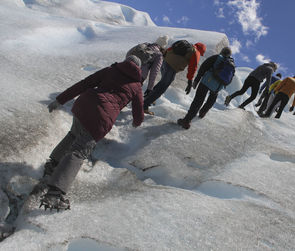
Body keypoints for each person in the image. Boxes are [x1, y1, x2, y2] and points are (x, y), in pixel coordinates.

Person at [40, 55, 144, 211]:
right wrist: (137, 121)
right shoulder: (136, 86)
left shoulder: (111, 69)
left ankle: (53, 164)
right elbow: (138, 110)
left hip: (84, 104)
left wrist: (60, 100)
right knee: (79, 151)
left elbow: (84, 84)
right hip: (101, 117)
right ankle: (54, 193)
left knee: (73, 134)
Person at [143, 40, 206, 115]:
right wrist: (190, 81)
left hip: (165, 62)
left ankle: (149, 98)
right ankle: (145, 105)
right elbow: (193, 67)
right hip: (172, 67)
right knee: (162, 87)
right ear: (201, 50)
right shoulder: (196, 52)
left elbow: (170, 49)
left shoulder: (186, 45)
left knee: (162, 83)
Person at [177, 47, 235, 129]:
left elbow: (203, 67)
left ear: (222, 52)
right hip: (217, 87)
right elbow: (229, 80)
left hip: (206, 81)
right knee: (212, 98)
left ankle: (186, 120)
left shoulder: (217, 58)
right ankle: (203, 112)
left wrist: (197, 80)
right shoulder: (231, 65)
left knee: (198, 100)